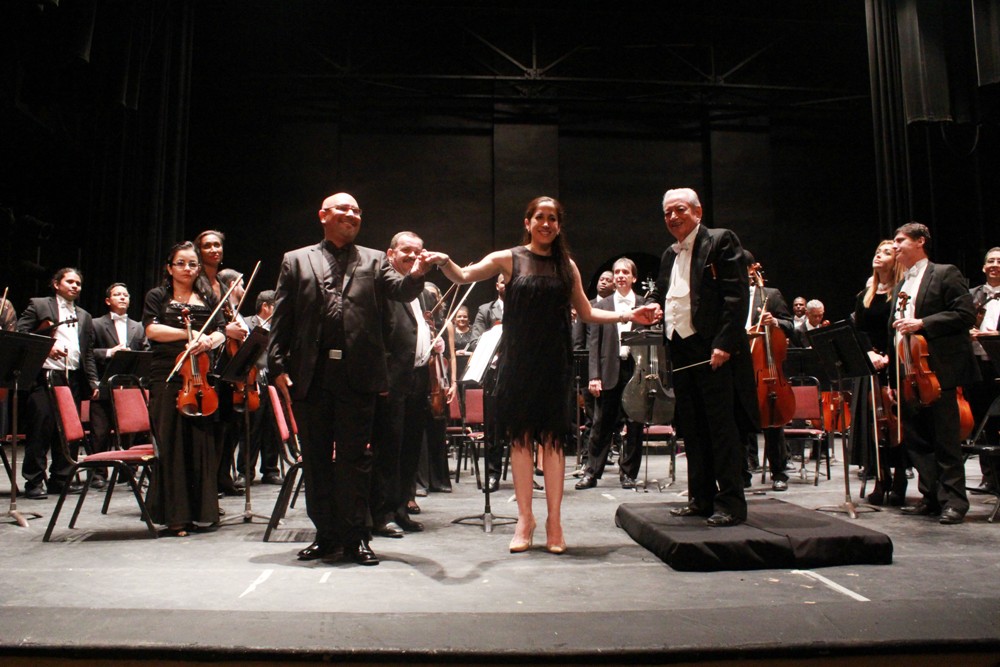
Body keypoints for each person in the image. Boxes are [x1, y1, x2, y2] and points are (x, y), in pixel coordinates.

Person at [424, 196, 659, 553]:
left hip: (554, 363)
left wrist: (630, 316)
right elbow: (464, 275)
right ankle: (524, 519)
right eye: (540, 217)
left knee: (551, 442)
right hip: (517, 362)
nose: (546, 224)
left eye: (552, 218)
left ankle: (554, 521)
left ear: (559, 225)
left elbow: (588, 312)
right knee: (519, 441)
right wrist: (444, 261)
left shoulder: (567, 266)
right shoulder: (509, 258)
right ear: (528, 221)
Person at [268, 192, 433, 566]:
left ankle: (357, 536)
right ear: (323, 215)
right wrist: (276, 365)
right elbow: (283, 315)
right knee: (316, 459)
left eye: (357, 210)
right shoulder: (295, 260)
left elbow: (402, 290)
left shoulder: (376, 260)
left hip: (358, 375)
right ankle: (326, 535)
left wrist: (420, 273)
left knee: (356, 460)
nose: (351, 214)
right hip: (311, 373)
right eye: (343, 208)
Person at [645, 187, 757, 527]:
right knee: (692, 428)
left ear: (698, 211)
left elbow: (736, 296)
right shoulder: (669, 253)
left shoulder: (721, 241)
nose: (673, 217)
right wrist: (654, 305)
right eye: (667, 213)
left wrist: (724, 343)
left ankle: (731, 503)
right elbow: (667, 294)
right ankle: (701, 497)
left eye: (680, 210)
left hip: (713, 350)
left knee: (721, 428)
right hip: (681, 348)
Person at [891, 222, 978, 524]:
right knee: (918, 441)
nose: (895, 246)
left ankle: (955, 501)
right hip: (909, 372)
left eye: (900, 240)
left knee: (945, 439)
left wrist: (922, 323)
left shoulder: (945, 273)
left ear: (920, 241)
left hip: (937, 370)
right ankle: (930, 496)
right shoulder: (902, 283)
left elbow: (964, 314)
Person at [142, 242, 227, 536]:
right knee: (173, 443)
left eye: (192, 264)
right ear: (170, 267)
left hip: (201, 376)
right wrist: (187, 334)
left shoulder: (208, 296)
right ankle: (175, 515)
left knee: (199, 443)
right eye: (181, 263)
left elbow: (220, 330)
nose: (187, 269)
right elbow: (151, 330)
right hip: (168, 375)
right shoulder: (158, 296)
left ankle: (202, 512)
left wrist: (207, 341)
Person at [370, 231, 446, 539]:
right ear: (391, 254)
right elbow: (375, 337)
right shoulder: (385, 287)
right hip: (392, 382)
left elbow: (415, 330)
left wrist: (432, 341)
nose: (414, 256)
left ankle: (400, 509)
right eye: (407, 251)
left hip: (416, 380)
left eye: (419, 252)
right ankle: (380, 515)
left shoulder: (420, 291)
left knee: (410, 450)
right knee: (388, 450)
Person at [17, 268, 99, 499]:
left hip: (71, 377)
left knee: (67, 432)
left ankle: (61, 479)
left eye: (78, 283)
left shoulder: (84, 315)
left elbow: (88, 353)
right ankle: (34, 481)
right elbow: (22, 334)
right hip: (43, 377)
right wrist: (47, 346)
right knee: (40, 429)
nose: (75, 286)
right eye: (70, 281)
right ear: (56, 284)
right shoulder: (39, 305)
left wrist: (92, 381)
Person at [576, 258, 644, 490]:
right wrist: (593, 376)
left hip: (636, 371)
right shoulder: (601, 305)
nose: (620, 276)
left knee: (634, 424)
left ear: (634, 277)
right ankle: (592, 472)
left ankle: (629, 473)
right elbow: (593, 344)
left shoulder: (644, 304)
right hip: (608, 371)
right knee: (601, 424)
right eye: (617, 272)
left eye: (625, 272)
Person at [851, 240, 907, 505]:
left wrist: (888, 355)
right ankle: (880, 478)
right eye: (877, 252)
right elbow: (859, 330)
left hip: (895, 361)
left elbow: (897, 327)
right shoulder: (866, 293)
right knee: (875, 426)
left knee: (897, 424)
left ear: (895, 260)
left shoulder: (902, 291)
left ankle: (900, 479)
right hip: (871, 364)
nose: (878, 256)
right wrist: (870, 354)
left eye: (885, 253)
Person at [88, 282, 149, 488]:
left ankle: (129, 470)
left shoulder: (138, 326)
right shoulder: (96, 323)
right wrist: (109, 352)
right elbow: (88, 353)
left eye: (125, 294)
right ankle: (98, 472)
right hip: (104, 384)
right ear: (108, 300)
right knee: (100, 431)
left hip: (129, 387)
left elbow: (146, 352)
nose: (122, 298)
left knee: (130, 431)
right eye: (117, 294)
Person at [744, 254, 795, 492]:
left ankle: (779, 472)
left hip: (765, 367)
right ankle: (742, 472)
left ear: (750, 270)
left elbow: (790, 324)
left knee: (773, 421)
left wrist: (774, 321)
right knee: (739, 421)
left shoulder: (770, 295)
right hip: (739, 362)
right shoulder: (729, 296)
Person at [236, 289, 283, 486]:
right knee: (252, 428)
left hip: (272, 382)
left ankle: (270, 470)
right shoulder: (246, 323)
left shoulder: (279, 327)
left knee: (272, 427)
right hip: (252, 381)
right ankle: (245, 471)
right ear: (266, 306)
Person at [968, 247, 1000, 491]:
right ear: (983, 266)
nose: (995, 265)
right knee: (981, 421)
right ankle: (989, 475)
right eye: (990, 261)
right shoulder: (972, 295)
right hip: (978, 365)